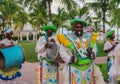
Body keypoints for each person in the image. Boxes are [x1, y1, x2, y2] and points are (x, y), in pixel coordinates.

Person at [57, 16, 105, 84]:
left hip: (88, 67)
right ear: (74, 27)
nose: (79, 29)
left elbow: (94, 47)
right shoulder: (67, 37)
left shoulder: (89, 36)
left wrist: (92, 54)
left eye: (80, 27)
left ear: (83, 27)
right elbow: (62, 51)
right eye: (77, 27)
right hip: (74, 67)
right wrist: (70, 58)